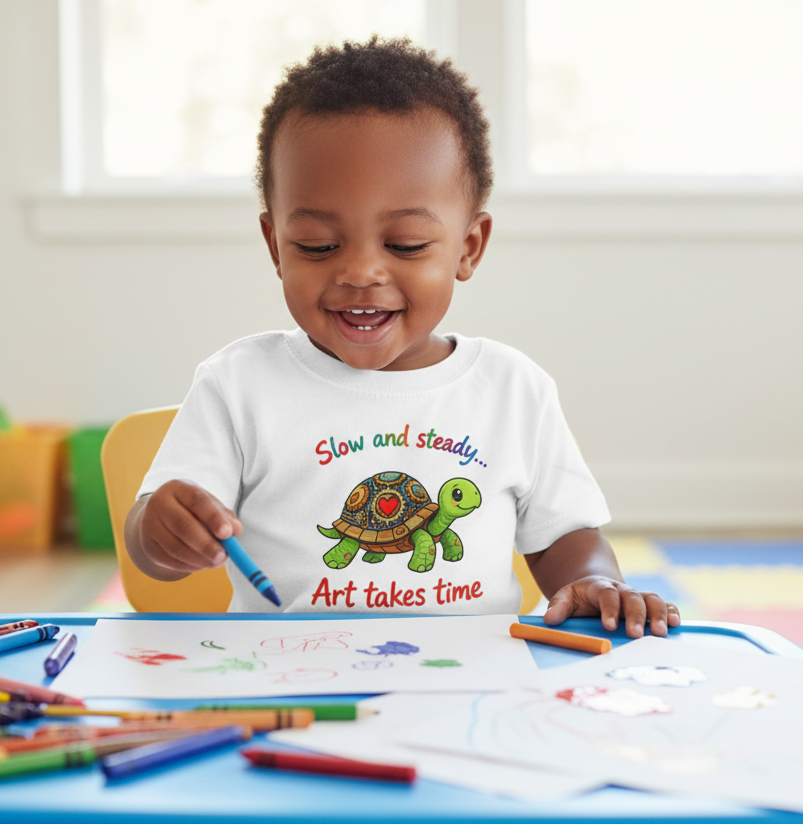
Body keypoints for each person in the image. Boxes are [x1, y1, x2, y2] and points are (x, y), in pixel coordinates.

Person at [125, 37, 680, 638]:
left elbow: (564, 536)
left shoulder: (511, 388)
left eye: (406, 245)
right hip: (287, 676)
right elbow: (151, 542)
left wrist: (596, 581)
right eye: (317, 245)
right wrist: (158, 531)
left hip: (469, 686)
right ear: (275, 246)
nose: (361, 272)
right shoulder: (238, 385)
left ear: (468, 248)